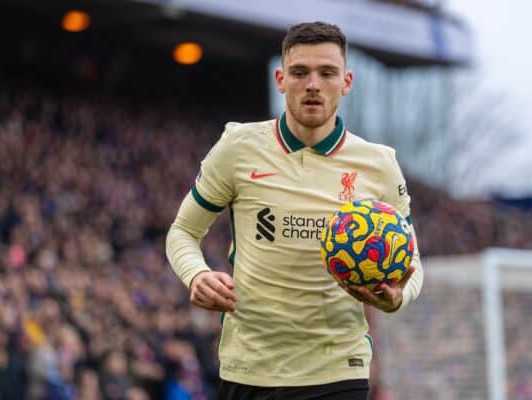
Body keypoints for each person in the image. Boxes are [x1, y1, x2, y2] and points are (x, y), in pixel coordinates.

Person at [166, 21, 424, 400]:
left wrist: (398, 297)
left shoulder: (378, 164)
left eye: (327, 73)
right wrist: (196, 275)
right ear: (280, 79)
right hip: (249, 368)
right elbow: (182, 232)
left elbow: (413, 259)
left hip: (337, 369)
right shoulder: (238, 147)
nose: (313, 84)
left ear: (347, 81)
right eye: (300, 72)